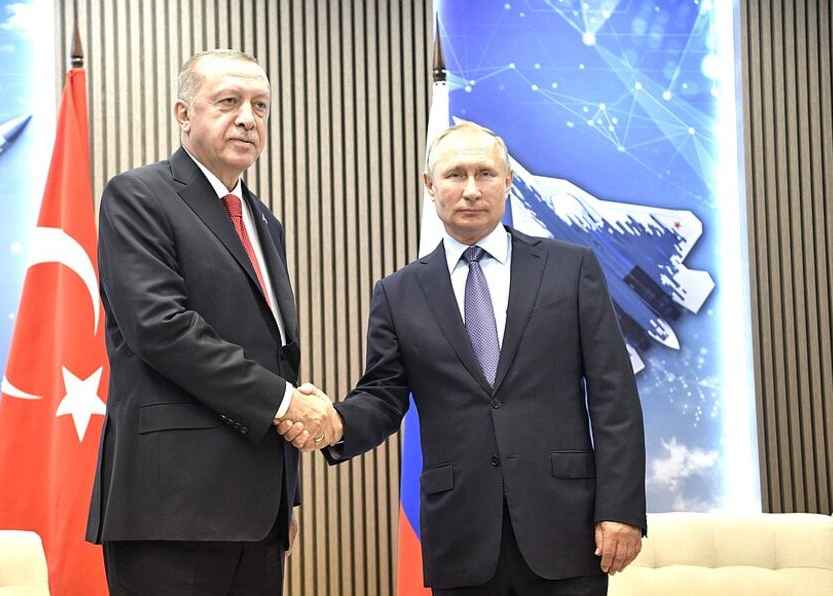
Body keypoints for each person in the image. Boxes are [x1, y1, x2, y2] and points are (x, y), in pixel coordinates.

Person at [279, 122, 646, 595]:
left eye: (485, 174)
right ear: (430, 185)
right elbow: (384, 396)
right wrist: (336, 422)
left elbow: (614, 396)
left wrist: (620, 509)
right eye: (455, 174)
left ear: (508, 181)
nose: (471, 189)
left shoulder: (571, 268)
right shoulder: (399, 293)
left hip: (567, 528)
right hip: (462, 537)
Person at [87, 49, 337, 595]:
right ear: (184, 113)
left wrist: (286, 497)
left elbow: (273, 350)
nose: (248, 118)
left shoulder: (264, 220)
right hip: (170, 509)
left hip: (258, 515)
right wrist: (287, 402)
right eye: (228, 101)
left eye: (261, 106)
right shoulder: (138, 196)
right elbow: (162, 327)